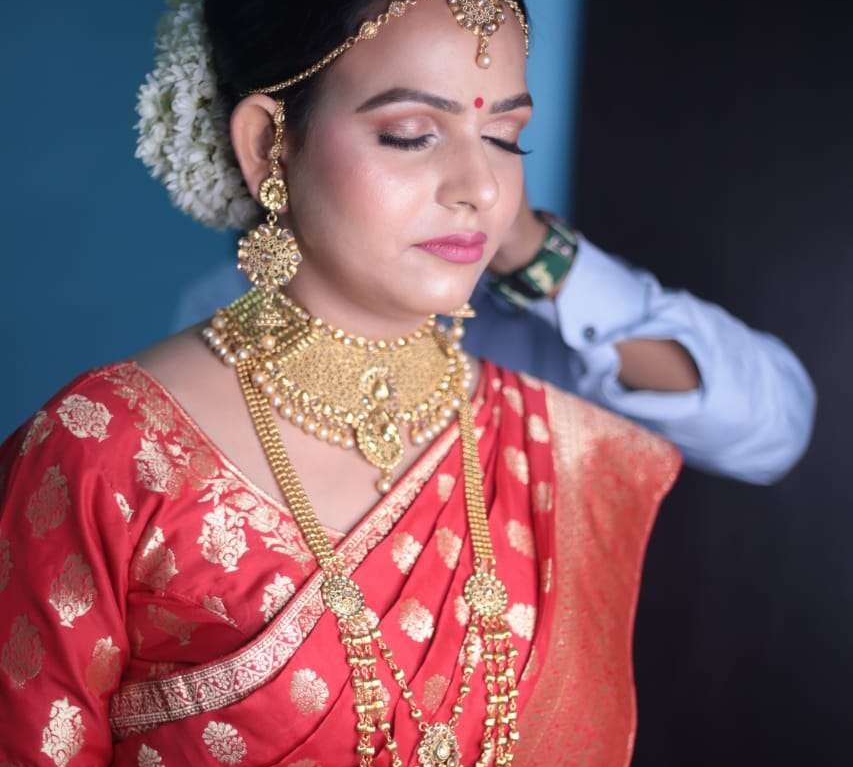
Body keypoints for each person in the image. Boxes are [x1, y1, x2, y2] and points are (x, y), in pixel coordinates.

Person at [1, 0, 694, 767]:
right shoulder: (106, 454)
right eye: (413, 133)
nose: (480, 189)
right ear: (267, 145)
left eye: (506, 135)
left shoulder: (549, 454)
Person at [174, 185, 816, 490]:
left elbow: (773, 430)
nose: (474, 176)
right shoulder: (225, 315)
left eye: (502, 136)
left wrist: (538, 259)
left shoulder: (523, 300)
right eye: (408, 133)